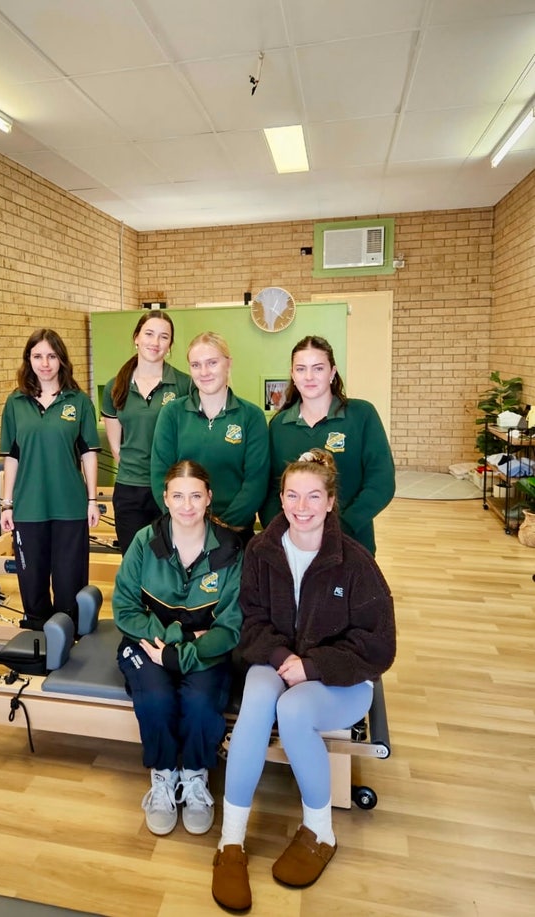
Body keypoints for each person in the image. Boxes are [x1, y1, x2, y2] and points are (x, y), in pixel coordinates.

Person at [210, 450, 396, 910]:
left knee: (293, 710)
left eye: (314, 495)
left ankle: (320, 832)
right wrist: (279, 656)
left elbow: (379, 646)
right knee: (256, 703)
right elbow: (249, 622)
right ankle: (230, 843)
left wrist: (312, 667)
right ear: (281, 498)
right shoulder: (261, 550)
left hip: (340, 680)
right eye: (292, 494)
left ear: (331, 501)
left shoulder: (353, 561)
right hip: (275, 659)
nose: (302, 505)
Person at [112, 460, 243, 837]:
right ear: (165, 498)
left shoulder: (231, 550)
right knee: (156, 698)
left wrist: (178, 652)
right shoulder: (143, 542)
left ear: (209, 499)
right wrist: (174, 640)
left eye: (196, 496)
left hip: (202, 650)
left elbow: (231, 625)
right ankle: (164, 776)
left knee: (201, 705)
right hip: (145, 643)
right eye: (179, 496)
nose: (187, 506)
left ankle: (195, 777)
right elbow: (125, 608)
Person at [0, 328, 101, 629]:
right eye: (37, 356)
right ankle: (37, 639)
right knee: (32, 582)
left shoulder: (78, 402)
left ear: (61, 360)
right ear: (28, 360)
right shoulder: (16, 403)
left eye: (51, 356)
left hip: (70, 506)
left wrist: (93, 500)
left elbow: (88, 454)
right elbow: (11, 456)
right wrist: (7, 504)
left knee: (70, 583)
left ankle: (69, 641)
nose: (45, 363)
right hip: (29, 508)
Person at [260, 335, 394, 555]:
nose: (309, 376)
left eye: (318, 368)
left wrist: (340, 529)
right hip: (294, 547)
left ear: (332, 372)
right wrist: (283, 532)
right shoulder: (279, 426)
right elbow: (271, 490)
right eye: (301, 369)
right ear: (293, 375)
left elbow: (381, 483)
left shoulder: (361, 415)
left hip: (351, 542)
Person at [150, 331, 269, 546]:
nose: (204, 372)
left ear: (228, 363)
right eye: (196, 365)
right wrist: (187, 522)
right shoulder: (172, 413)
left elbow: (256, 482)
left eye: (212, 363)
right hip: (183, 529)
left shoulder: (251, 416)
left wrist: (223, 528)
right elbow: (160, 475)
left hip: (235, 532)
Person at [102, 312, 190, 554]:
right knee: (133, 560)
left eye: (164, 337)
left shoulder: (184, 384)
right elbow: (116, 446)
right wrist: (137, 471)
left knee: (169, 560)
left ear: (170, 346)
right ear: (136, 338)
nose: (155, 342)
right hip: (129, 489)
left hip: (169, 488)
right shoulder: (115, 386)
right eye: (149, 334)